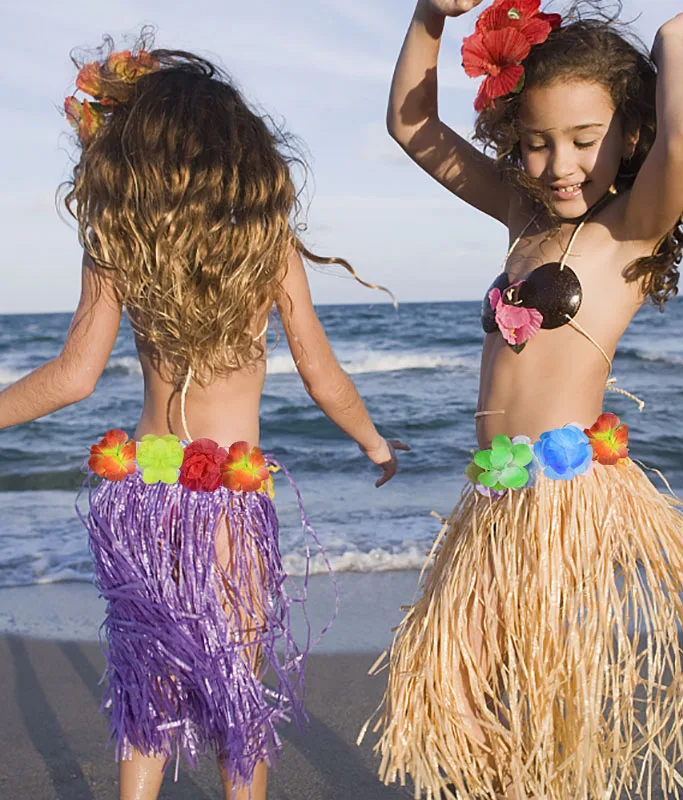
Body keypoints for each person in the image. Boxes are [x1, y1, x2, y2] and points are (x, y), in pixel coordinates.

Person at [359, 1, 683, 798]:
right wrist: (428, 17)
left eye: (584, 139)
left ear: (628, 135)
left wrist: (669, 50)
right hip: (495, 499)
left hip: (563, 506)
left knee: (531, 694)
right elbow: (411, 125)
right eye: (537, 142)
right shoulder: (521, 215)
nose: (561, 164)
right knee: (460, 694)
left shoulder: (629, 230)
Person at [0, 40, 407, 800]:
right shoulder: (268, 250)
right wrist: (374, 442)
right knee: (234, 690)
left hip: (144, 501)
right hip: (229, 506)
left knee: (146, 684)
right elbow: (323, 377)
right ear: (239, 156)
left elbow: (73, 376)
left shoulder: (119, 245)